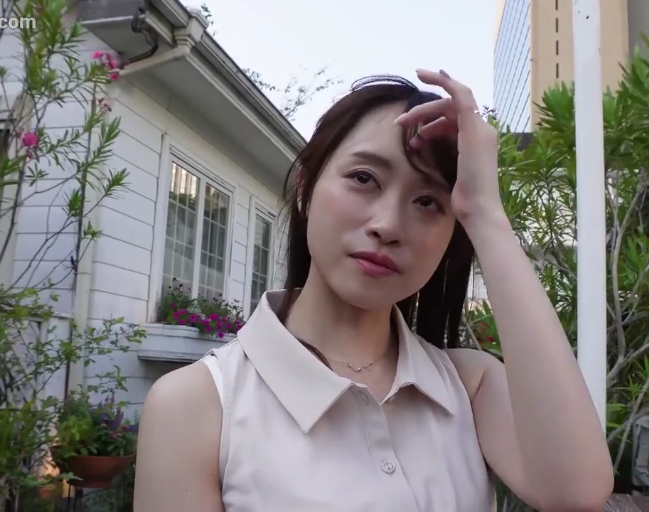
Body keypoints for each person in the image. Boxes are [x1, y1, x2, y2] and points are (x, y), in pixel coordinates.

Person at [133, 70, 613, 511]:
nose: (388, 225)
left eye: (428, 202)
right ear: (306, 189)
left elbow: (576, 492)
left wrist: (485, 212)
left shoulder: (469, 386)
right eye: (364, 178)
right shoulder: (198, 404)